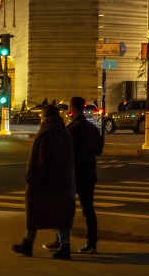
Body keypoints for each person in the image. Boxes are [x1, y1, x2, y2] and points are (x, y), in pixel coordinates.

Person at [13, 104, 75, 260]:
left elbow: (39, 160)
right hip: (63, 181)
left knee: (33, 212)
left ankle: (28, 244)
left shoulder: (45, 134)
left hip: (44, 183)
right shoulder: (64, 132)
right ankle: (64, 246)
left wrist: (32, 179)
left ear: (45, 117)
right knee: (62, 215)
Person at [44, 97, 103, 255]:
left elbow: (63, 152)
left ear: (72, 109)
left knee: (64, 208)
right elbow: (99, 151)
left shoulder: (70, 129)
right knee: (88, 209)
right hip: (89, 174)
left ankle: (60, 240)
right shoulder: (92, 128)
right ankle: (92, 243)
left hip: (72, 174)